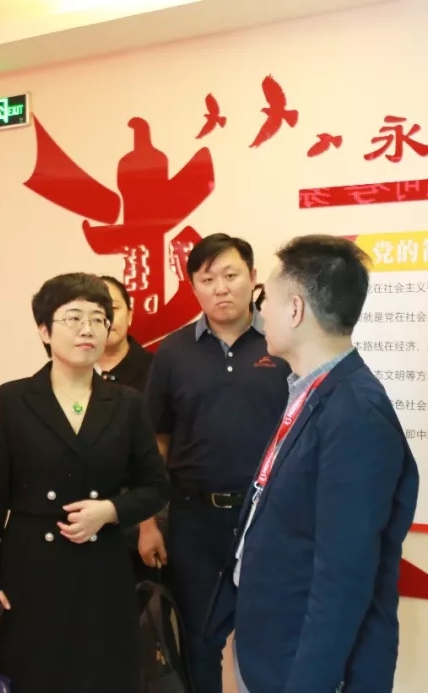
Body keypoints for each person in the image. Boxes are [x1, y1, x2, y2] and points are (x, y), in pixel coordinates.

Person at [204, 235, 420, 693]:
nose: (261, 312)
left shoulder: (356, 412)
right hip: (270, 647)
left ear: (296, 309)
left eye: (266, 299)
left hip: (304, 669)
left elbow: (342, 577)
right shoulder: (311, 390)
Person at [0, 272, 170, 693]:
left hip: (103, 570)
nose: (88, 329)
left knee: (102, 678)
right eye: (74, 318)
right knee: (36, 677)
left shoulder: (127, 403)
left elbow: (155, 486)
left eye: (98, 319)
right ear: (44, 330)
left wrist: (110, 511)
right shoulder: (12, 400)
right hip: (30, 570)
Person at [140, 233, 290, 693]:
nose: (221, 288)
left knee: (268, 641)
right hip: (194, 522)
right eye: (208, 280)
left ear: (253, 277)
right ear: (193, 287)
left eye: (231, 275)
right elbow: (155, 443)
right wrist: (148, 522)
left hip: (269, 520)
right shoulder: (173, 352)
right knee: (198, 643)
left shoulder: (283, 343)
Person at [96, 276, 161, 586]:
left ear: (130, 315)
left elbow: (160, 454)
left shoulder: (157, 371)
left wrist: (149, 525)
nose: (106, 318)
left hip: (138, 522)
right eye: (95, 311)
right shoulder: (67, 375)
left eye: (113, 308)